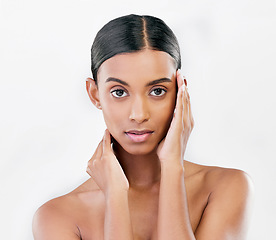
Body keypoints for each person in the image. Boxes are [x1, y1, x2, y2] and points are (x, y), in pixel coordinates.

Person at [32, 14, 254, 240]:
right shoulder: (57, 216)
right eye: (119, 92)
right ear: (94, 94)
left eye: (157, 91)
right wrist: (116, 197)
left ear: (180, 92)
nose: (139, 115)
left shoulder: (226, 188)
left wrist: (172, 167)